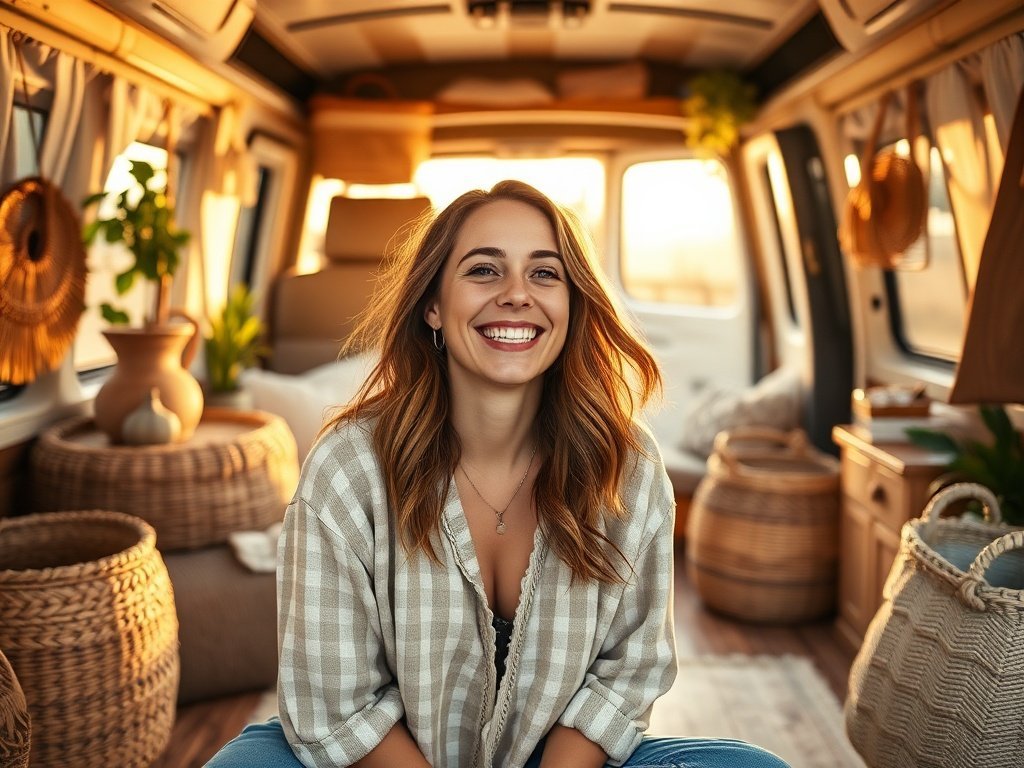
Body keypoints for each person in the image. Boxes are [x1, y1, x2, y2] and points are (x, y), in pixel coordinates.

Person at [207, 180, 789, 768]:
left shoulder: (628, 466)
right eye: (484, 271)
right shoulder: (347, 469)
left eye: (545, 274)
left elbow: (629, 670)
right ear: (433, 304)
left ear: (572, 305)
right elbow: (337, 704)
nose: (516, 295)